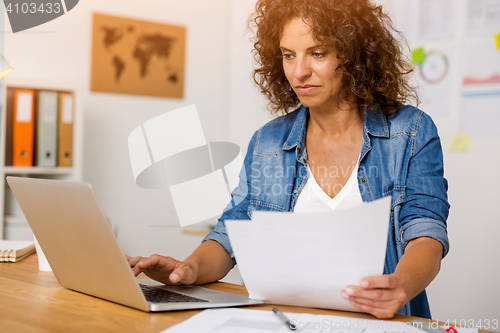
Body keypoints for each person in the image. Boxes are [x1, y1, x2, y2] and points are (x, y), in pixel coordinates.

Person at [127, 0, 449, 319]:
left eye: (317, 53)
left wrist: (400, 286)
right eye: (288, 55)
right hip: (281, 323)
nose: (299, 72)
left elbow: (426, 236)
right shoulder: (267, 142)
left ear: (353, 53)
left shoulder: (411, 132)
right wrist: (188, 269)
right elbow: (231, 233)